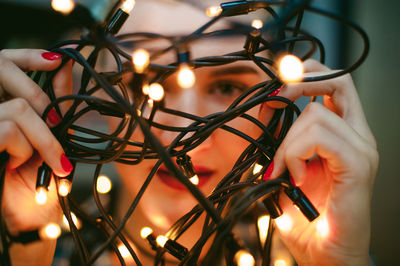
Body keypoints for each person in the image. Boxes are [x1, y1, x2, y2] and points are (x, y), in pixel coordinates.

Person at [0, 0, 378, 265]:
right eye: (145, 82)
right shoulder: (30, 248)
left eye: (228, 87)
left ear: (278, 104)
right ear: (95, 97)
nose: (182, 133)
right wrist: (27, 254)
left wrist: (341, 263)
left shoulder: (314, 250)